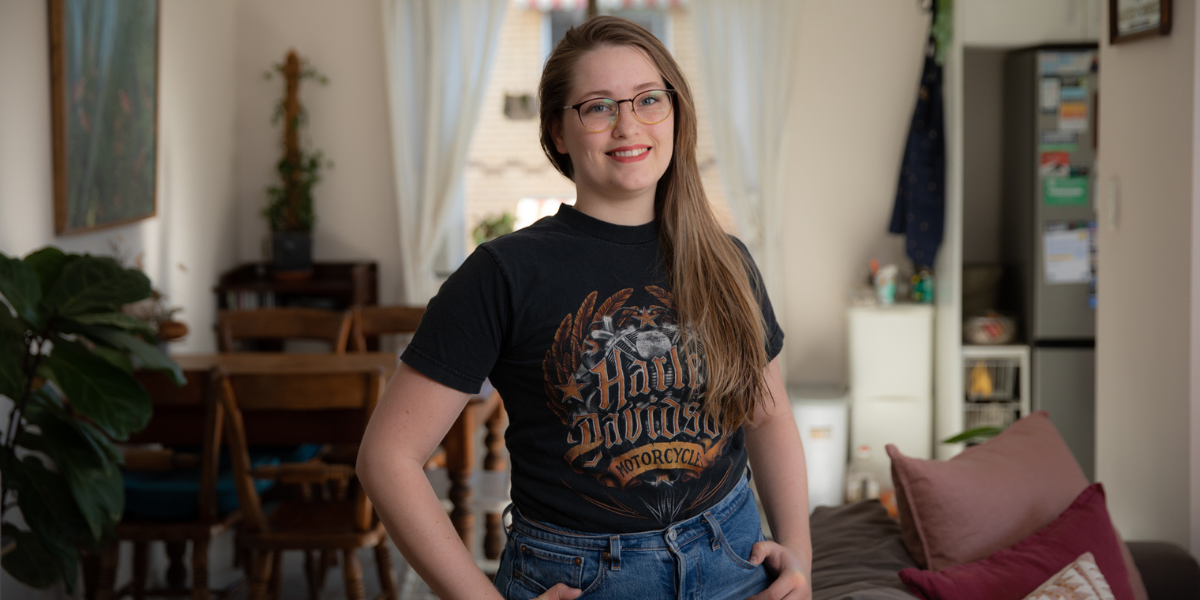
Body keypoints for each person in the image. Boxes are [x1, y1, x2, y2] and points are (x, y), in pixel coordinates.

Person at [357, 15, 812, 600]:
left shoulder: (726, 261)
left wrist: (800, 554)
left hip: (733, 560)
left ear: (675, 112)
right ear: (558, 133)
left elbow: (768, 416)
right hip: (580, 579)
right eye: (598, 107)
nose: (629, 124)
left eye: (649, 99)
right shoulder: (503, 273)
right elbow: (387, 459)